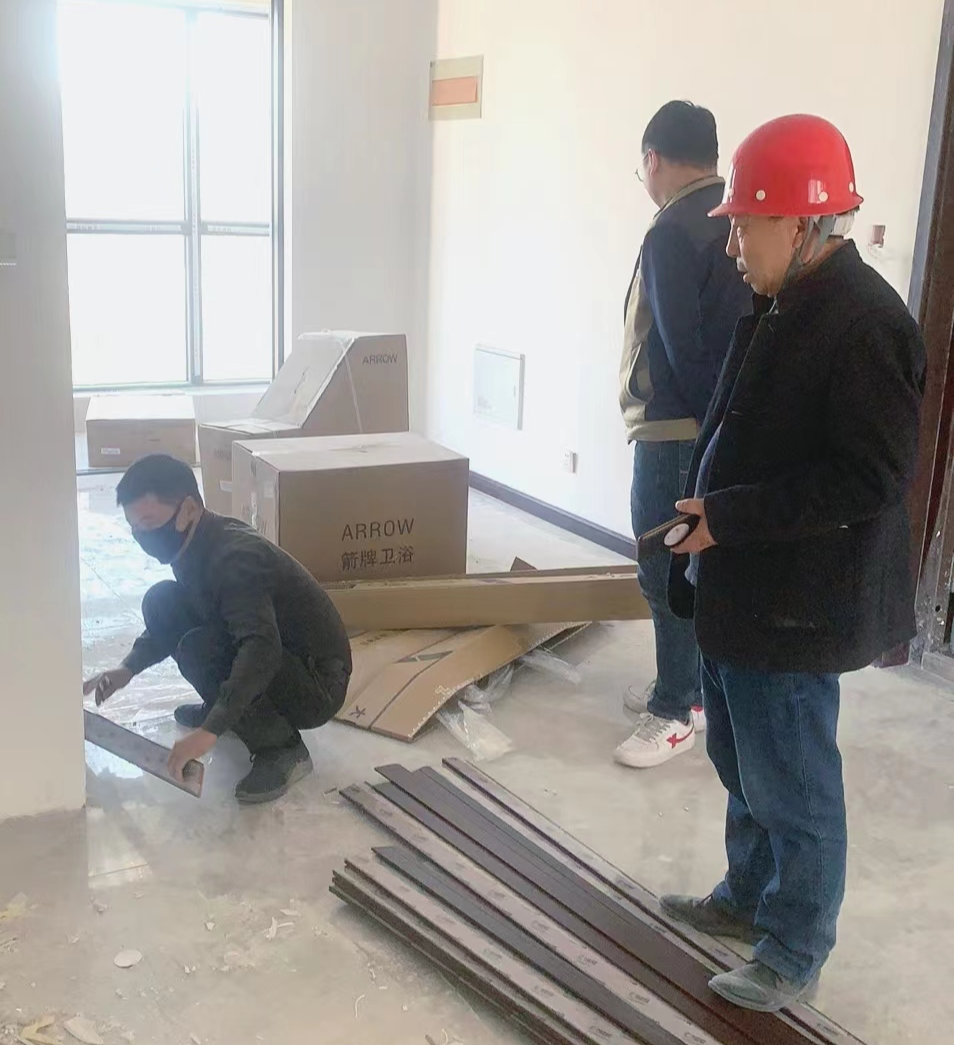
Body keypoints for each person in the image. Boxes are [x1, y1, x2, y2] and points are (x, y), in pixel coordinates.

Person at [661, 115, 926, 1011]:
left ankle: (795, 945)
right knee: (742, 760)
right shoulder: (786, 298)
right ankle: (747, 897)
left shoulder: (867, 324)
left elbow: (870, 478)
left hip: (796, 607)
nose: (731, 244)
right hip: (741, 590)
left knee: (794, 781)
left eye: (745, 224)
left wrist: (728, 517)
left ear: (803, 223)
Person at [83, 454, 352, 804]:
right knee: (161, 601)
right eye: (134, 527)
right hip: (279, 652)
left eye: (149, 523)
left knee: (201, 649)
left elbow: (261, 649)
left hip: (316, 682)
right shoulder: (193, 543)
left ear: (188, 508)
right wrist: (128, 668)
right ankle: (232, 711)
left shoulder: (235, 558)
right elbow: (193, 612)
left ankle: (282, 748)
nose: (142, 536)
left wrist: (210, 729)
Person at [616, 101, 750, 770]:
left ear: (654, 159)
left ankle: (672, 710)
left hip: (674, 429)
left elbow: (680, 343)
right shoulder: (734, 219)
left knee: (661, 564)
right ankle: (689, 690)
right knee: (690, 562)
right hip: (719, 423)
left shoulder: (671, 230)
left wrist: (700, 431)